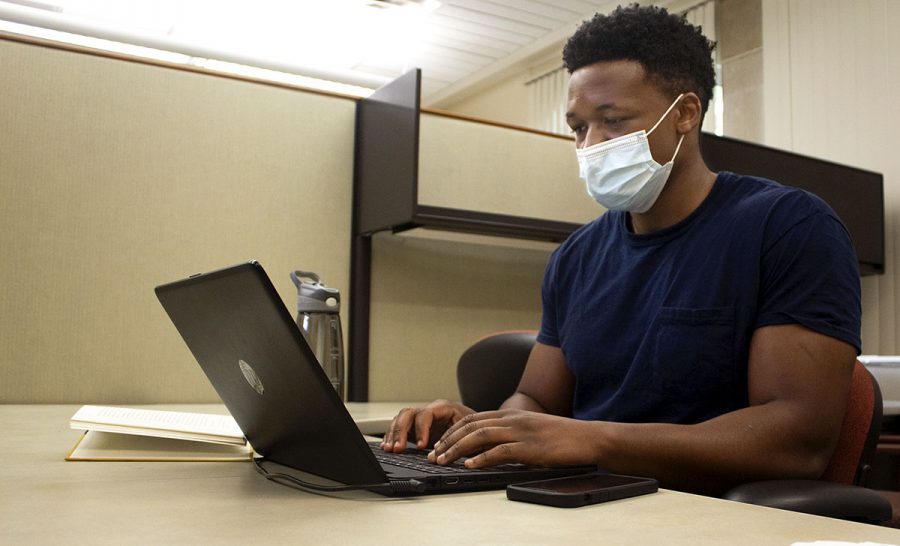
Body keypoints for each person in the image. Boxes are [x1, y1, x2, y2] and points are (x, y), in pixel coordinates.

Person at [381, 3, 861, 495]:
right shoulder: (576, 256)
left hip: (704, 512)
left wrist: (594, 441)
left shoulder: (787, 226)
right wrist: (483, 429)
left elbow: (797, 440)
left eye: (612, 120)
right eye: (578, 128)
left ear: (685, 114)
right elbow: (535, 400)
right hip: (580, 501)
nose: (591, 145)